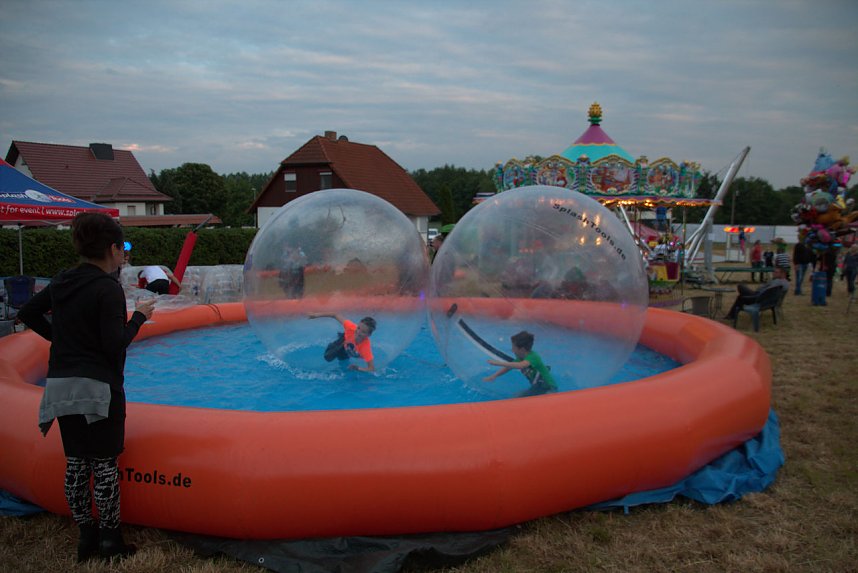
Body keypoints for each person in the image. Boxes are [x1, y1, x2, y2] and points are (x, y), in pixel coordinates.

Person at [16, 213, 155, 563]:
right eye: (123, 247)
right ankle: (110, 542)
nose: (125, 253)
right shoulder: (107, 288)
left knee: (76, 463)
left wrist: (60, 341)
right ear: (111, 249)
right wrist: (140, 317)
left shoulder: (64, 280)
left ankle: (85, 539)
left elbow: (29, 312)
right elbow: (114, 345)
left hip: (61, 384)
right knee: (104, 465)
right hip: (98, 388)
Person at [483, 331, 557, 397]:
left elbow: (522, 365)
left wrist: (499, 363)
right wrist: (494, 376)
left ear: (522, 349)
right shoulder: (521, 357)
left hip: (549, 387)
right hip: (537, 387)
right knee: (516, 397)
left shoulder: (533, 357)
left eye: (514, 347)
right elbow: (509, 367)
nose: (512, 350)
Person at [308, 312, 376, 372]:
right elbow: (335, 314)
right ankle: (339, 338)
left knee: (343, 360)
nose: (358, 332)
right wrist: (316, 315)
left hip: (348, 347)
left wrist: (358, 368)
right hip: (344, 340)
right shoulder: (351, 328)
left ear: (369, 335)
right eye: (358, 328)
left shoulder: (365, 348)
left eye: (363, 332)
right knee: (328, 357)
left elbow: (371, 369)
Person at [724, 267, 790, 320]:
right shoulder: (785, 283)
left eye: (776, 272)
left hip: (758, 298)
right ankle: (731, 315)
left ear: (783, 274)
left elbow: (766, 291)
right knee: (740, 297)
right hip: (767, 300)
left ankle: (731, 315)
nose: (773, 273)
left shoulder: (777, 282)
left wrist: (759, 290)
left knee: (740, 286)